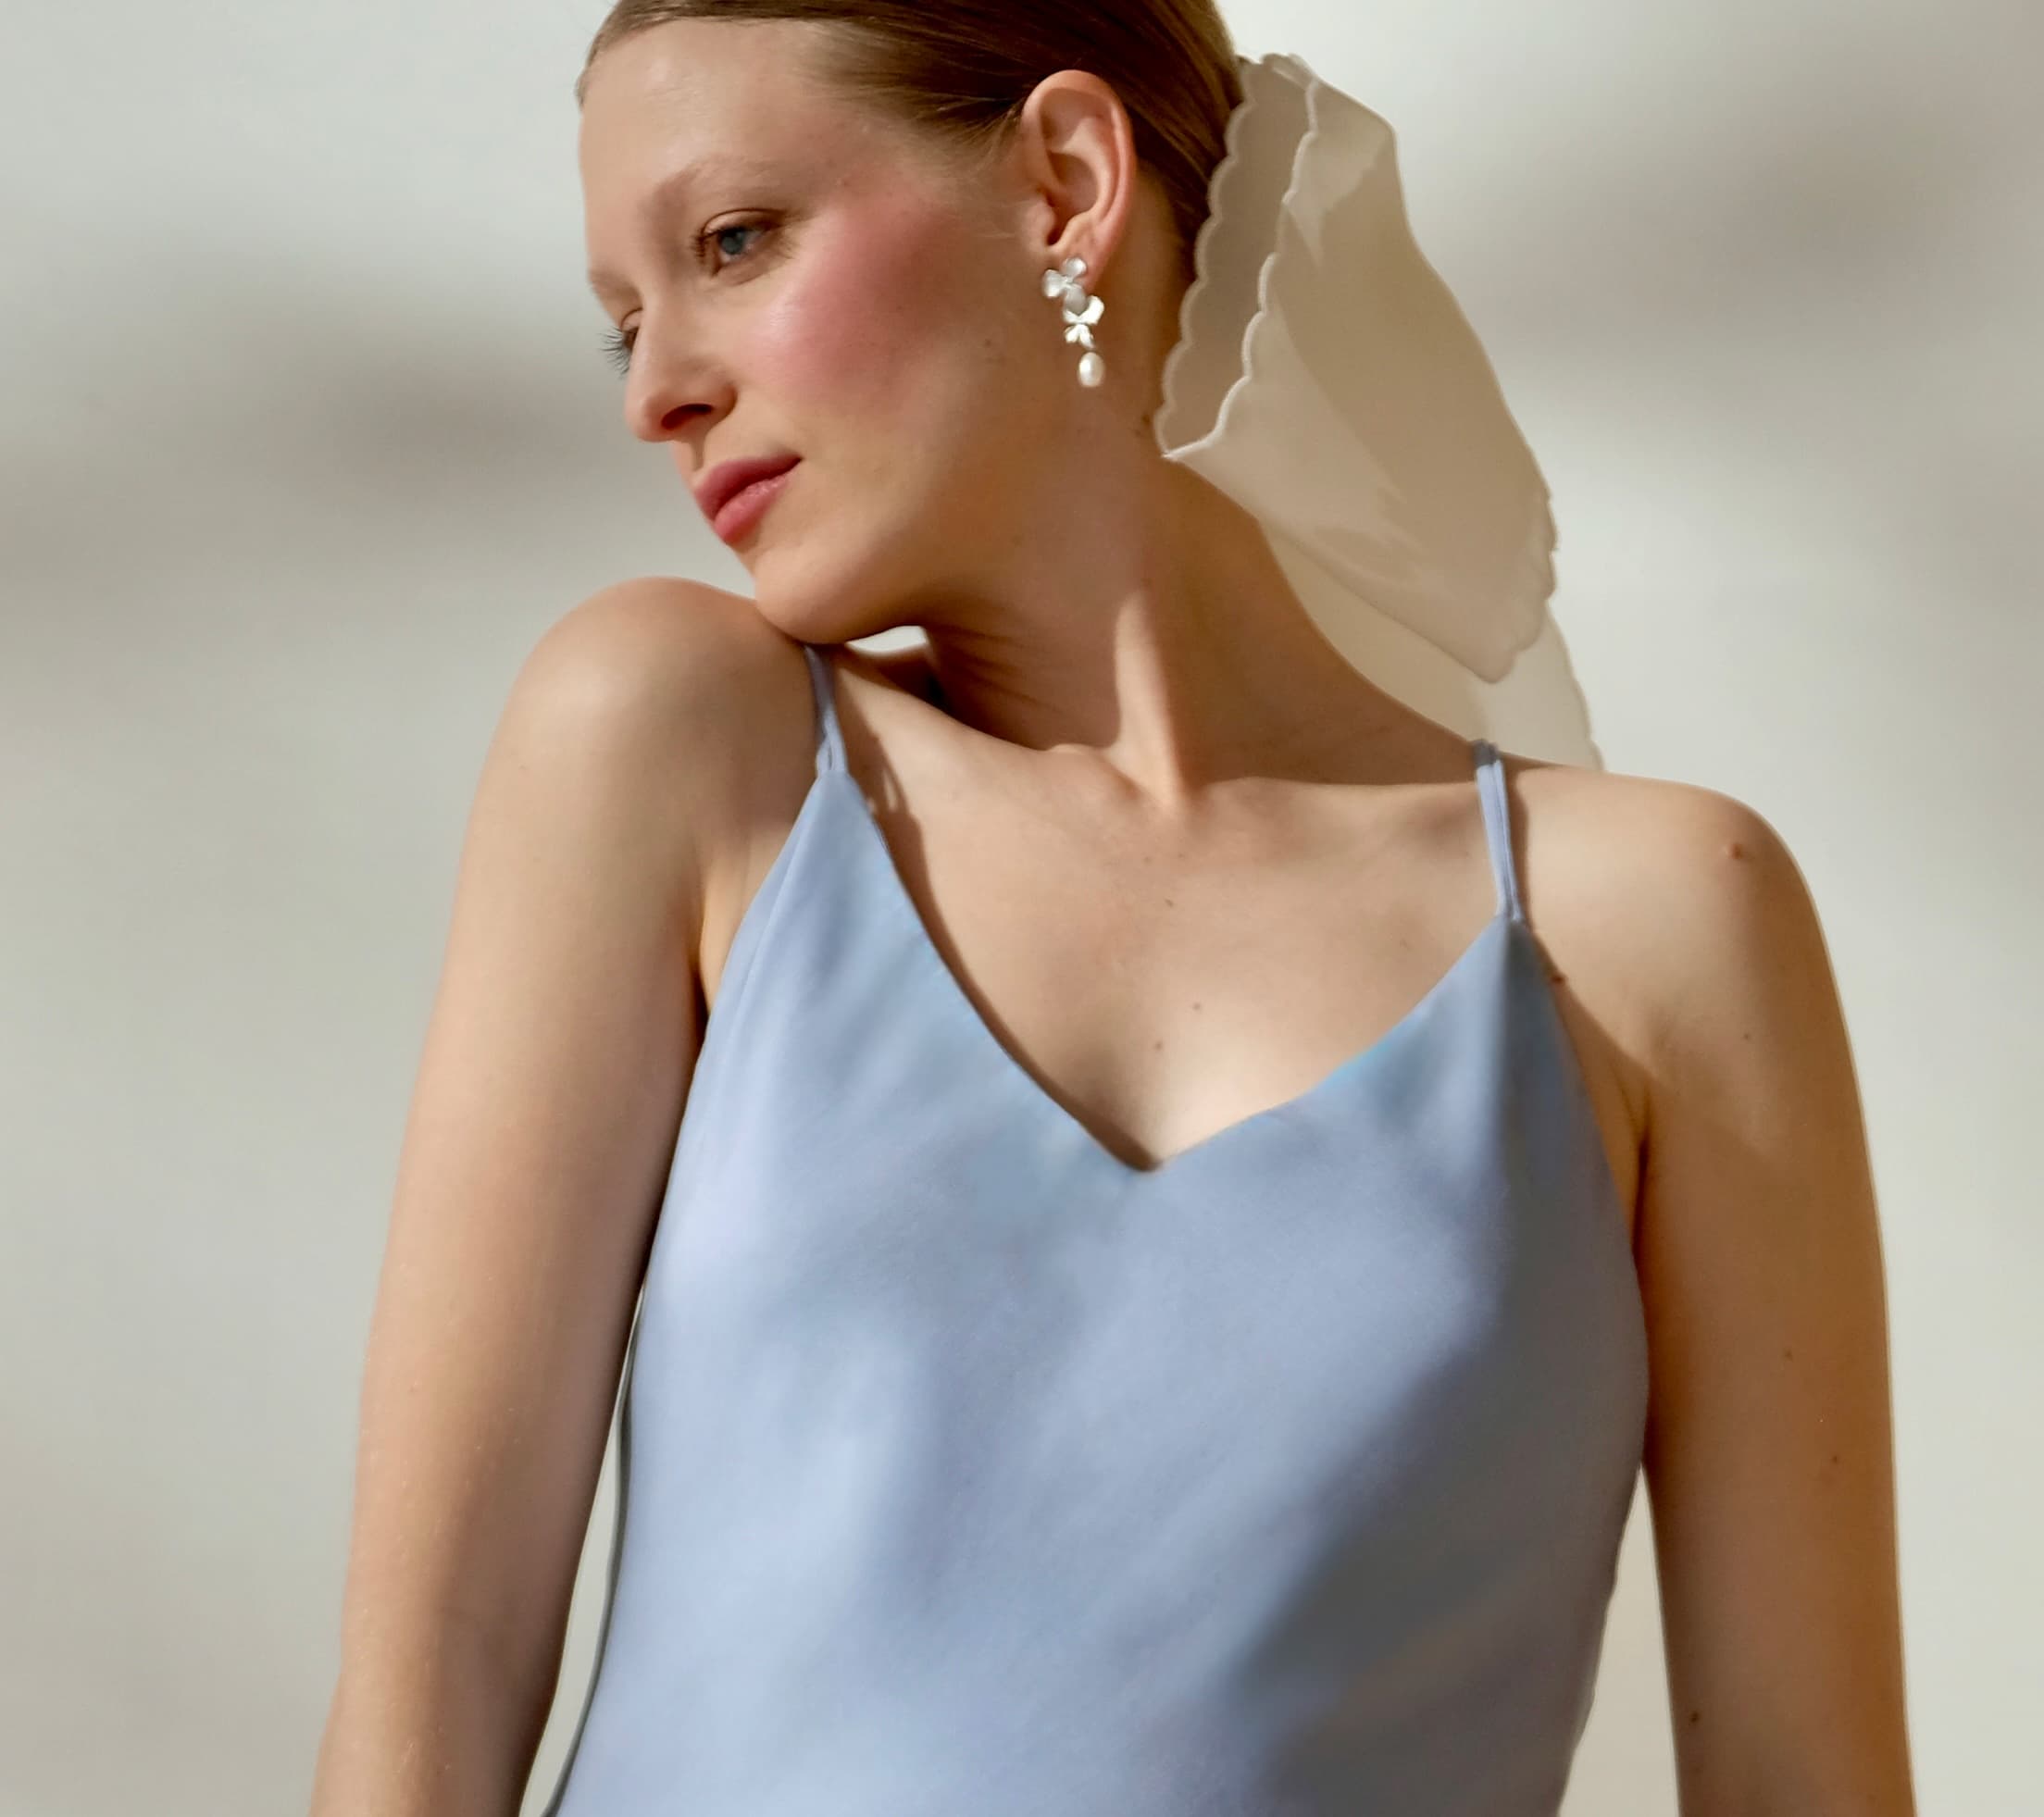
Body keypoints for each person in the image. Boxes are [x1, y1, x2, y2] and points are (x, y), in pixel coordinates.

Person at [308, 4, 1918, 1813]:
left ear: (1066, 182)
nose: (654, 388)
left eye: (733, 243)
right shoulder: (690, 757)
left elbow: (1807, 1782)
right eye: (625, 315)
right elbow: (422, 1703)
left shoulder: (1655, 932)